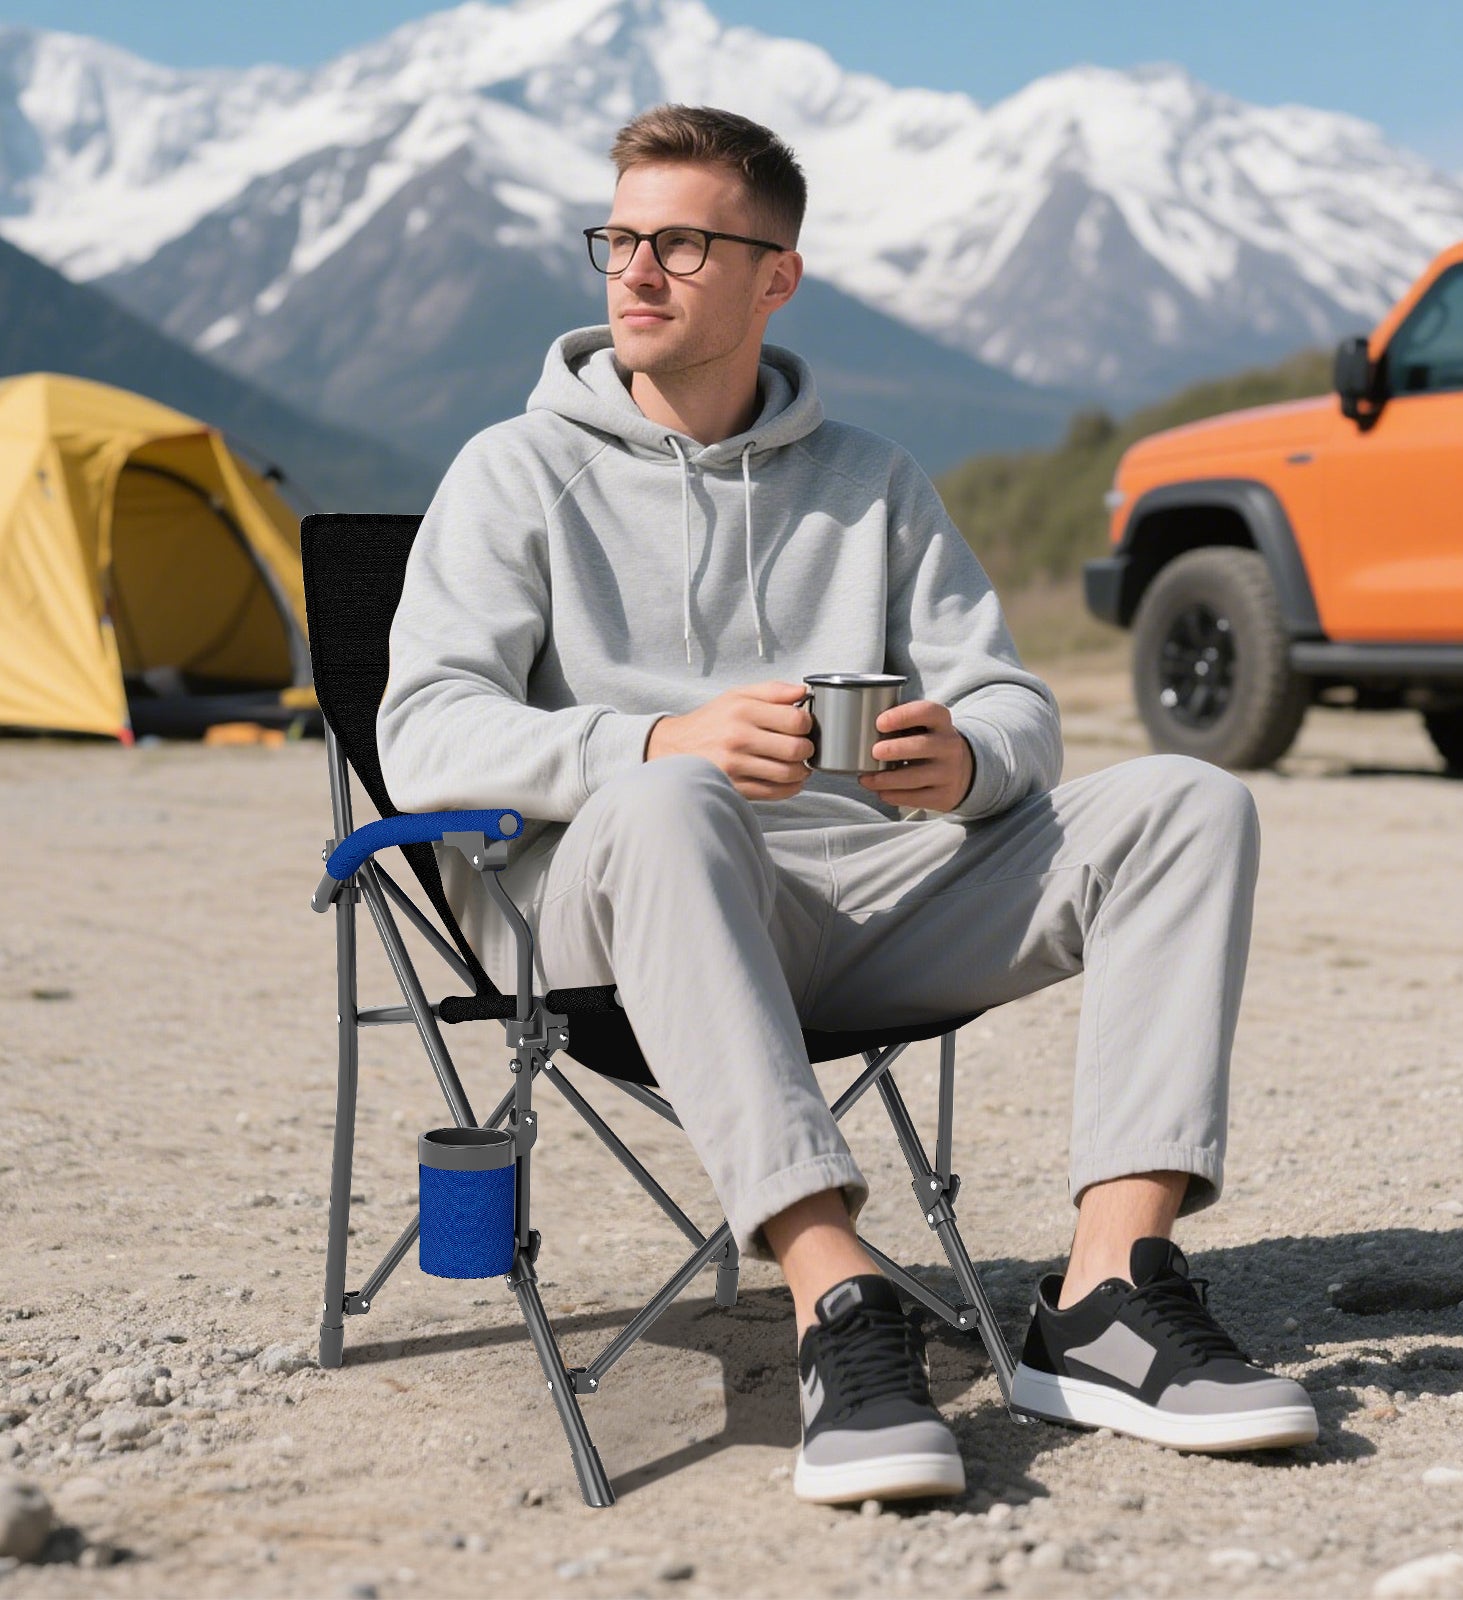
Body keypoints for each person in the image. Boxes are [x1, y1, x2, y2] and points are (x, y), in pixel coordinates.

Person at [377, 103, 1318, 1506]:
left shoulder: (873, 482)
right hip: (610, 909)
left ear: (774, 277)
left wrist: (970, 760)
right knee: (676, 802)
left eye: (681, 243)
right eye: (620, 238)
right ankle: (837, 1297)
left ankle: (1111, 1293)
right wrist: (653, 740)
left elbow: (1014, 705)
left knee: (1187, 799)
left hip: (857, 896)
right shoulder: (514, 472)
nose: (636, 270)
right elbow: (422, 731)